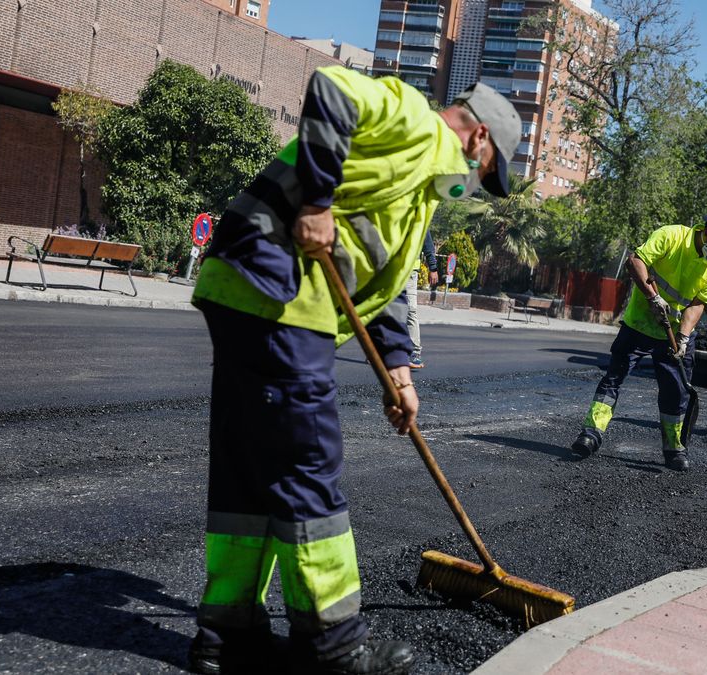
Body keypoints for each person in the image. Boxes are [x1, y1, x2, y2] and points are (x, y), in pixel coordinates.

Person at [188, 66, 520, 675]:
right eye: (487, 171)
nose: (477, 184)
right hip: (278, 297)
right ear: (478, 140)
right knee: (306, 467)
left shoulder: (418, 192)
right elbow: (331, 89)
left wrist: (400, 373)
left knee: (248, 469)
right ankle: (334, 650)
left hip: (249, 296)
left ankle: (228, 635)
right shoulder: (415, 122)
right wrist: (316, 202)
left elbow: (389, 287)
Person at [570, 215, 707, 471]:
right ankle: (591, 433)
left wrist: (683, 336)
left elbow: (698, 302)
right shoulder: (671, 235)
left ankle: (673, 449)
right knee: (614, 377)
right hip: (640, 323)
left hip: (674, 332)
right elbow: (635, 261)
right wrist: (652, 298)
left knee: (676, 392)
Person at [406, 231, 439, 369]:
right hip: (390, 270)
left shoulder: (419, 217)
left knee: (410, 310)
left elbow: (428, 245)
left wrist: (433, 268)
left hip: (409, 273)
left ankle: (415, 353)